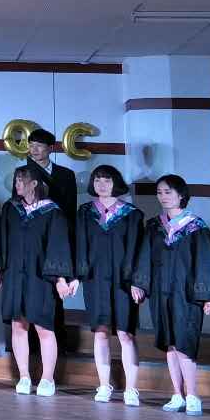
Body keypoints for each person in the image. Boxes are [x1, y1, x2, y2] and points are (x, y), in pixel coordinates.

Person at [131, 173, 210, 416]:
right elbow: (145, 256)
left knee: (184, 343)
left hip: (186, 293)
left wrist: (206, 295)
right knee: (169, 342)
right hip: (161, 290)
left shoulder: (196, 227)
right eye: (159, 192)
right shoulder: (154, 226)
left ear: (181, 195)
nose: (163, 197)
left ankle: (193, 395)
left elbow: (205, 263)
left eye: (168, 192)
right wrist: (139, 283)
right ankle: (177, 394)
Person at [70, 164, 144, 405]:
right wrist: (77, 276)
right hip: (96, 280)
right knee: (101, 331)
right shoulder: (85, 212)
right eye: (98, 180)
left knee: (125, 333)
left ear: (116, 183)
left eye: (107, 180)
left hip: (124, 282)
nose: (102, 185)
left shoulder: (131, 214)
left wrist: (136, 281)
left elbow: (137, 250)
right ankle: (103, 385)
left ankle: (131, 389)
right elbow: (80, 246)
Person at [1, 163, 73, 396]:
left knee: (44, 327)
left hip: (40, 278)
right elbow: (2, 241)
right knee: (18, 325)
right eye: (16, 180)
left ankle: (47, 379)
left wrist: (60, 279)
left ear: (34, 183)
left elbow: (58, 246)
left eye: (22, 180)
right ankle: (24, 377)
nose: (17, 184)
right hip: (14, 275)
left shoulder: (52, 212)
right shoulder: (10, 209)